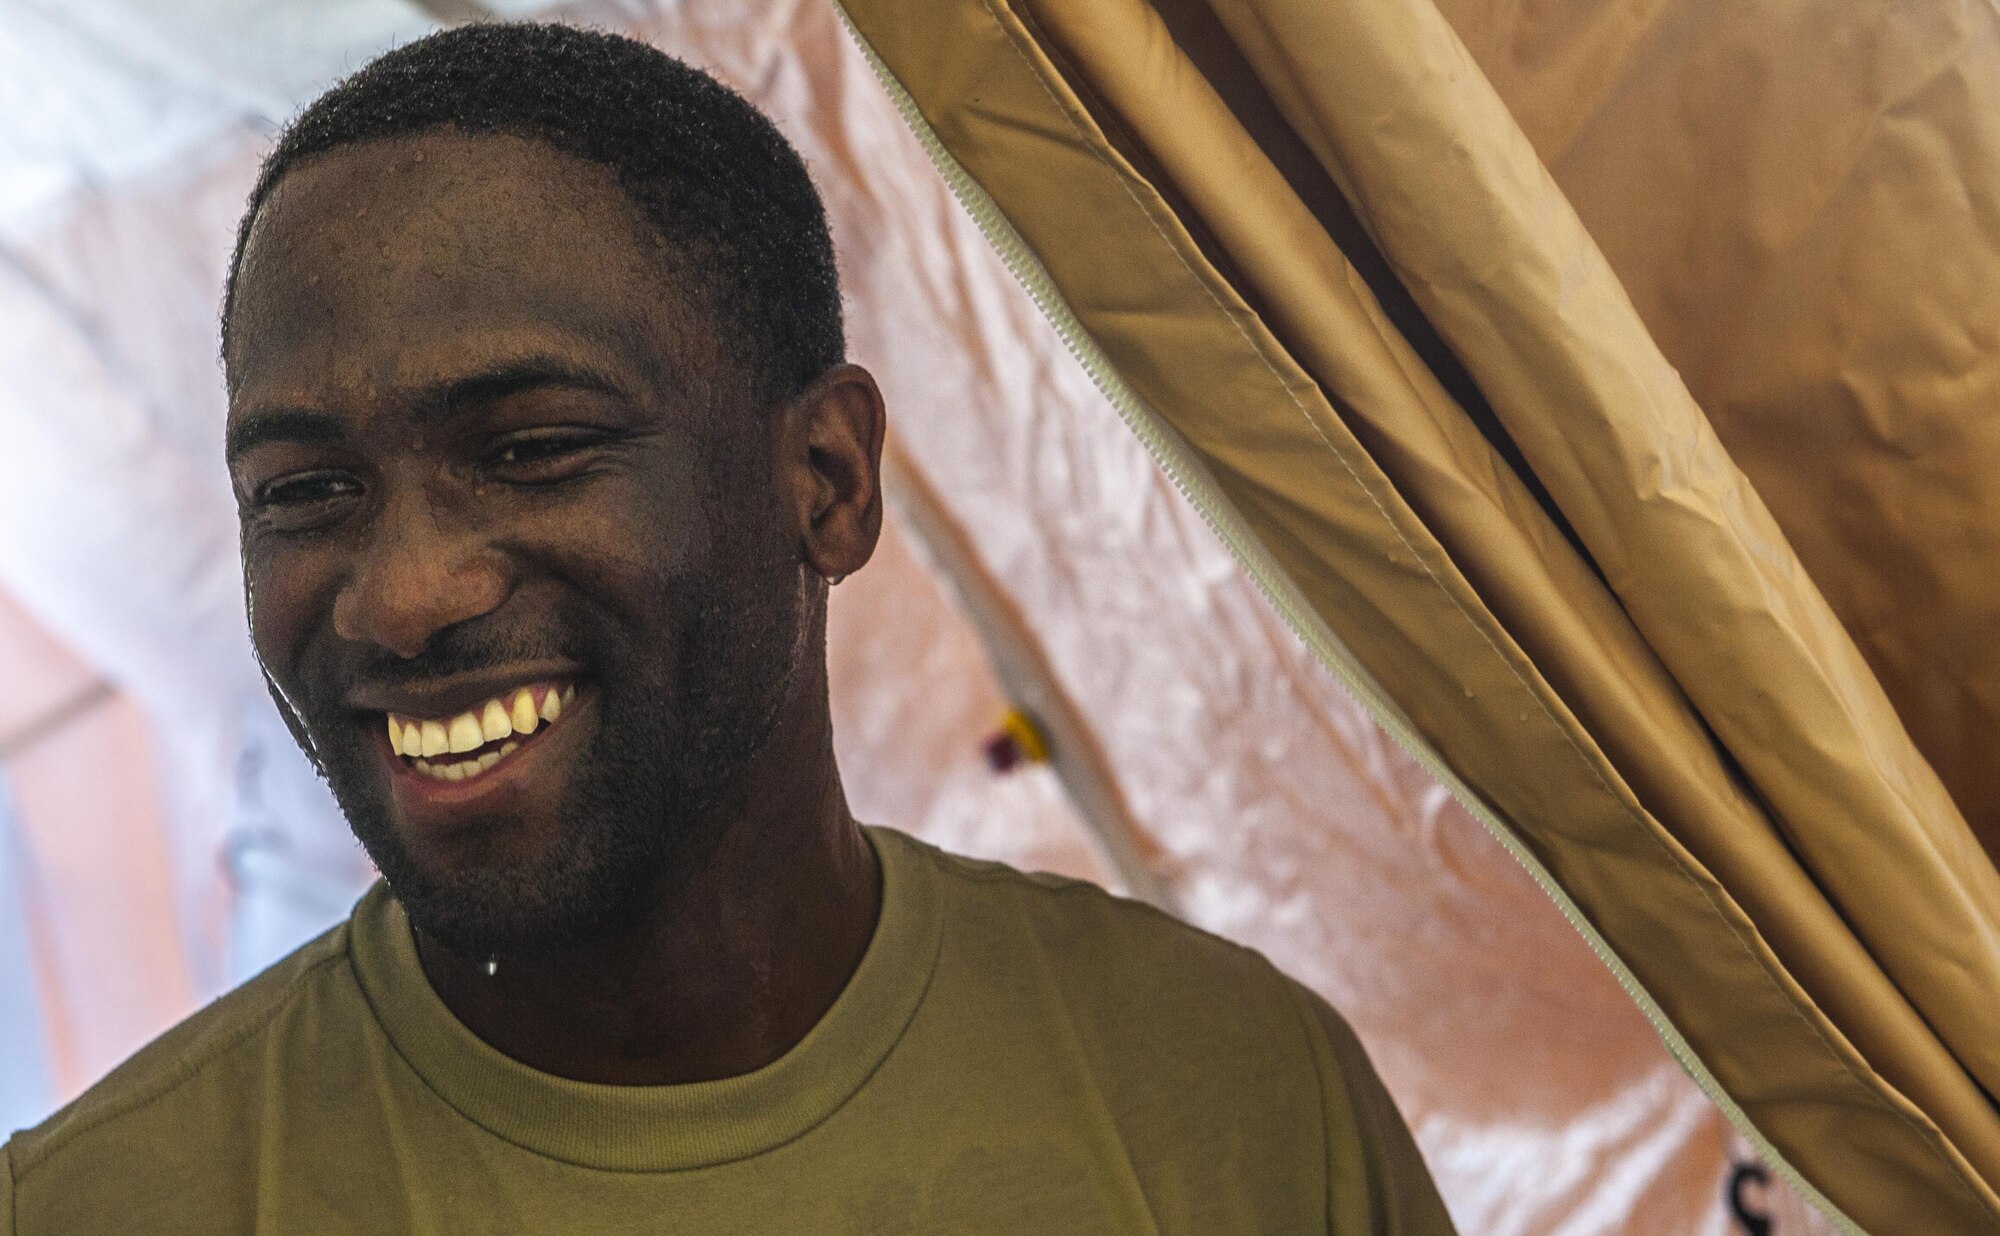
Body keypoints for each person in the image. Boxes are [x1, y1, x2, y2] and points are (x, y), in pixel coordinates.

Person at [0, 23, 1456, 1234]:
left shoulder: (1232, 1101)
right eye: (305, 492)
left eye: (534, 449)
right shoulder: (102, 1206)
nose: (401, 595)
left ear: (825, 482)